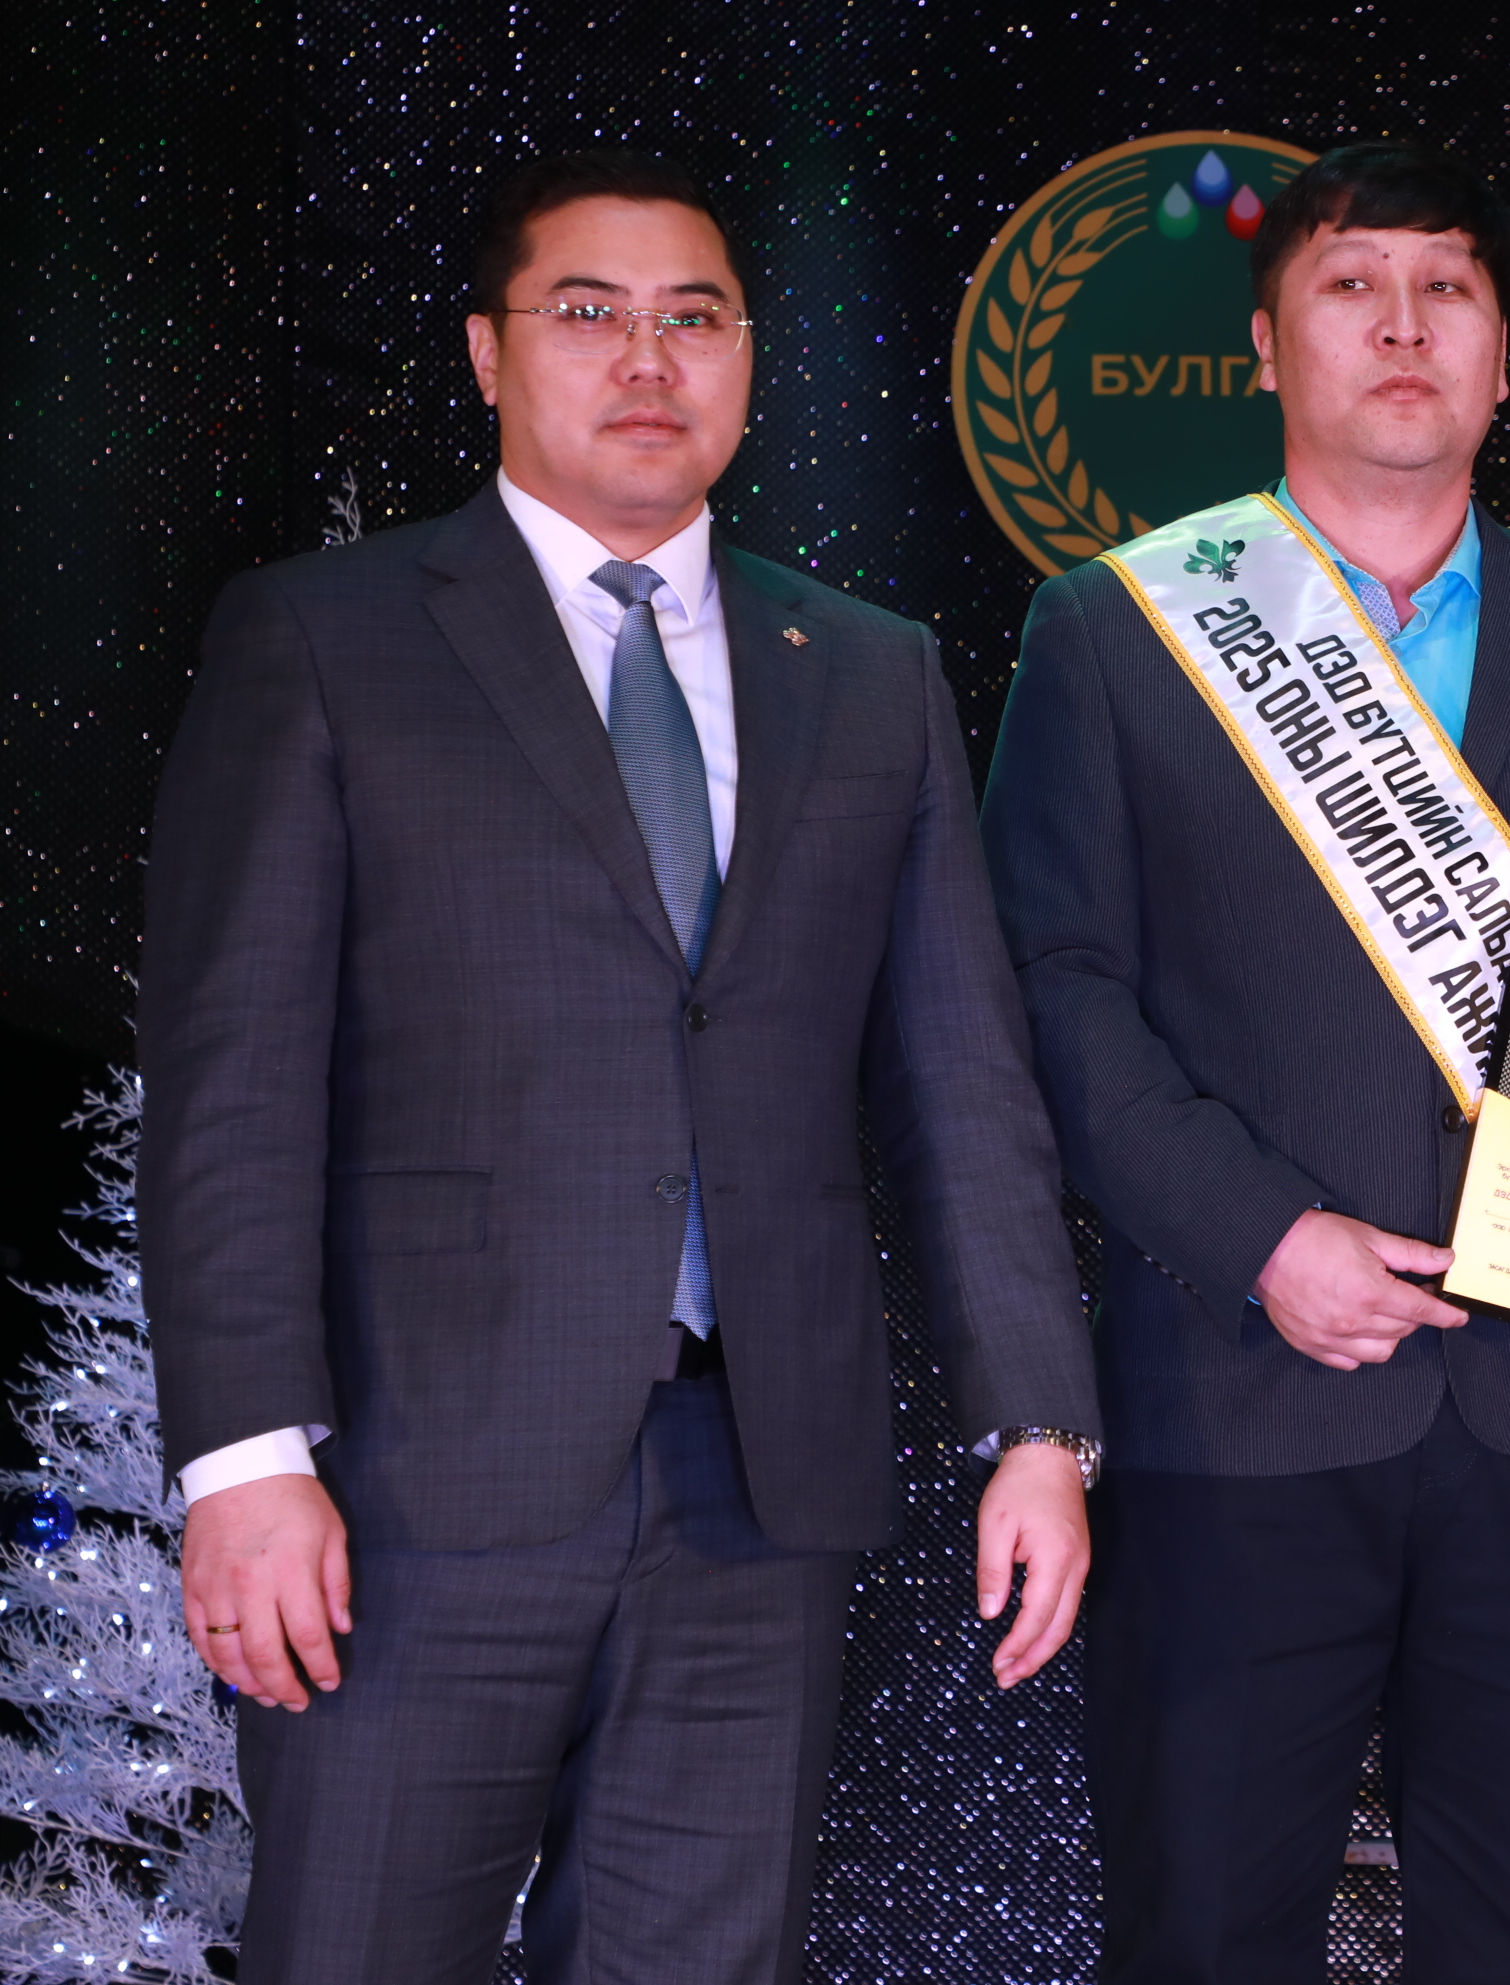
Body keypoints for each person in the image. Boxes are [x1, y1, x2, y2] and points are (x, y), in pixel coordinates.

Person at [138, 148, 1103, 1983]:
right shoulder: (326, 637)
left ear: (747, 361)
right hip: (406, 1484)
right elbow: (233, 1080)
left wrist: (1040, 1428)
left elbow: (962, 1086)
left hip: (757, 1482)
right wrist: (245, 1460)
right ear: (487, 355)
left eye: (695, 319)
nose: (647, 358)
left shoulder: (870, 670)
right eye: (588, 314)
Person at [983, 138, 1510, 1984]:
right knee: (1203, 1943)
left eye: (1448, 288)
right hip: (1239, 1406)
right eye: (1352, 287)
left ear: (1503, 357)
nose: (1403, 324)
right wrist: (1261, 1236)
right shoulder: (1118, 629)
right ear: (1267, 349)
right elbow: (1055, 996)